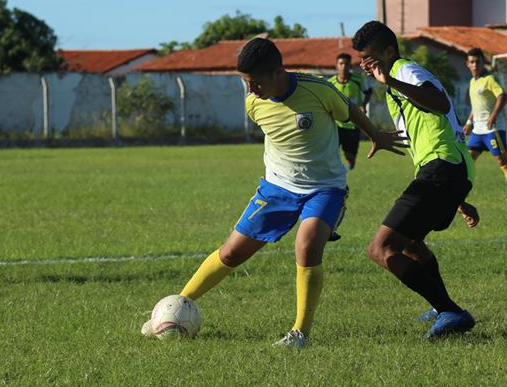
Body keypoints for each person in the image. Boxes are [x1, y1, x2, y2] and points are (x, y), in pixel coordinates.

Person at [143, 38, 405, 347]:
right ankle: (176, 308)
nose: (251, 90)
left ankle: (299, 333)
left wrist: (375, 135)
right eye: (246, 83)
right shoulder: (254, 103)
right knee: (231, 252)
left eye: (255, 82)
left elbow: (349, 110)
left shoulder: (317, 90)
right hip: (277, 187)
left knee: (306, 247)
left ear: (278, 71)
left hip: (324, 188)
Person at [352, 20, 479, 339]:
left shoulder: (405, 70)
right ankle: (442, 309)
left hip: (442, 168)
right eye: (362, 60)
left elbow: (440, 103)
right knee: (412, 246)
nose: (366, 66)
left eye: (370, 58)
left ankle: (450, 311)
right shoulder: (396, 77)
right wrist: (459, 197)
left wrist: (391, 80)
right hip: (448, 169)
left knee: (381, 249)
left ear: (389, 52)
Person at [462, 48, 507, 205]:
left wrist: (493, 116)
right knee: (467, 161)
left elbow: (502, 96)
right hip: (477, 130)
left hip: (493, 130)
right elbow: (476, 106)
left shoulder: (490, 79)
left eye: (478, 62)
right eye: (472, 62)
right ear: (467, 64)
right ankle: (460, 196)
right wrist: (469, 122)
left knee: (501, 160)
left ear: (483, 63)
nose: (475, 65)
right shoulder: (472, 82)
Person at [327, 52, 372, 170]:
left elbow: (368, 92)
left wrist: (363, 105)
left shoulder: (358, 80)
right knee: (331, 151)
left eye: (346, 64)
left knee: (350, 154)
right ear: (336, 66)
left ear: (350, 66)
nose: (343, 66)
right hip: (335, 124)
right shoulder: (331, 83)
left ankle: (350, 163)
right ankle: (335, 169)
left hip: (353, 124)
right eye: (341, 64)